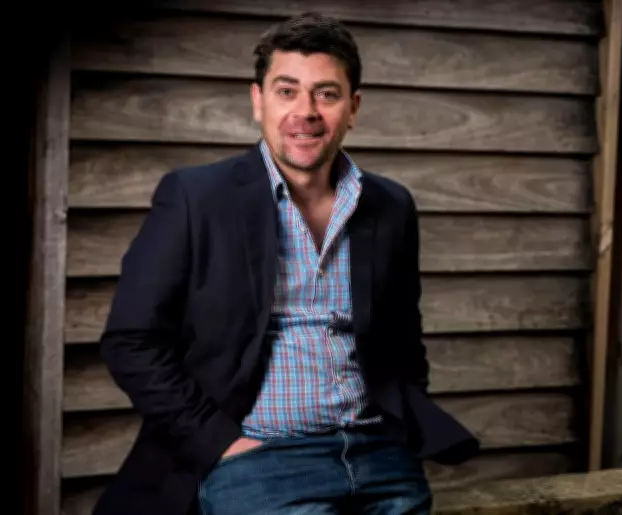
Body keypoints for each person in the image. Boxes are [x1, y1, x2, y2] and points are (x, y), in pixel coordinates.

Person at [93, 12, 479, 515]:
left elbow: (404, 338)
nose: (306, 112)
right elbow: (130, 341)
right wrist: (219, 443)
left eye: (326, 93)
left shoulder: (391, 206)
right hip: (259, 459)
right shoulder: (195, 197)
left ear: (353, 108)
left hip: (380, 455)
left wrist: (400, 427)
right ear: (258, 100)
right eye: (287, 91)